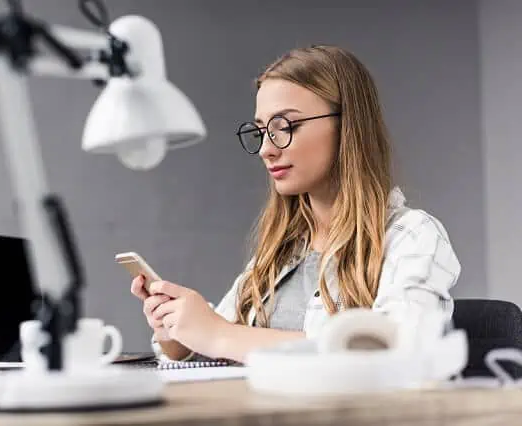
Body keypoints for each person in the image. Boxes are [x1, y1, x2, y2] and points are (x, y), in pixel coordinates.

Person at [130, 45, 460, 363]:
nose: (266, 150)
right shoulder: (281, 251)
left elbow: (402, 353)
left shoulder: (412, 236)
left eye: (285, 126)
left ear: (348, 126)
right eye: (261, 131)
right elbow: (222, 341)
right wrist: (177, 331)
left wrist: (217, 335)